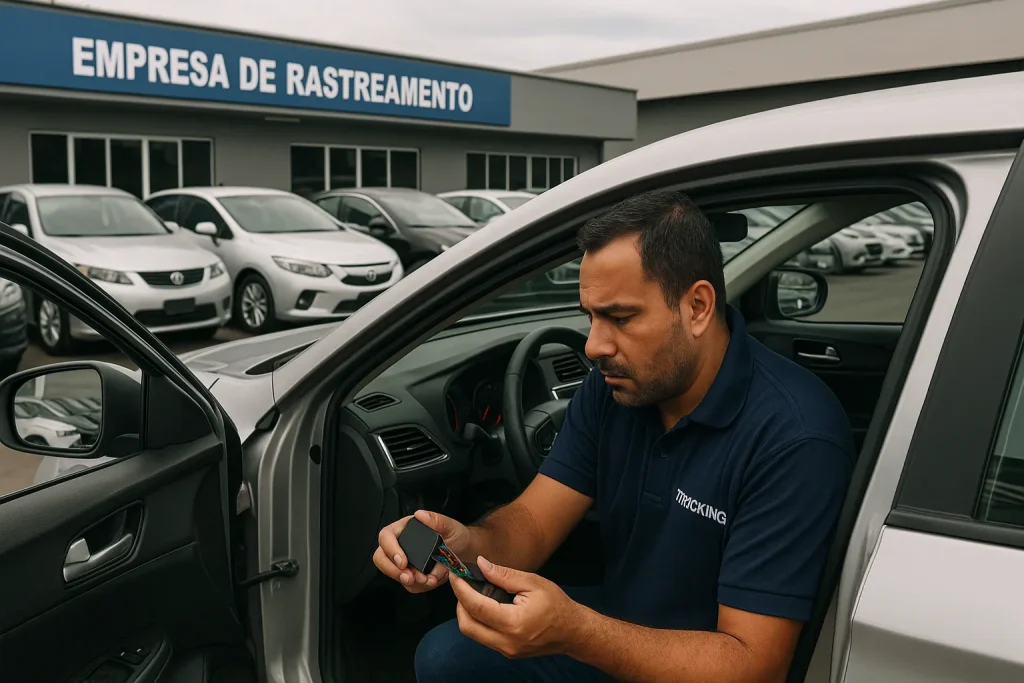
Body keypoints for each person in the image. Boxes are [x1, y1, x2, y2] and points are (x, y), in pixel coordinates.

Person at [373, 189, 856, 683]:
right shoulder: (615, 387)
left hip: (706, 661)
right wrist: (469, 543)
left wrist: (577, 632)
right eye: (590, 316)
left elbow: (754, 665)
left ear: (697, 307)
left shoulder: (793, 437)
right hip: (620, 621)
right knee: (444, 655)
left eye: (620, 318)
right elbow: (534, 523)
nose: (594, 345)